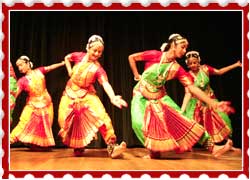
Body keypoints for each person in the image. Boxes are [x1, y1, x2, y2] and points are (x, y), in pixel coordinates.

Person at [128, 33, 235, 159]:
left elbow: (192, 88)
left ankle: (213, 147)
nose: (184, 51)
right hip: (141, 93)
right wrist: (136, 75)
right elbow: (132, 57)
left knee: (184, 120)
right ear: (173, 45)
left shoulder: (177, 69)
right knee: (137, 122)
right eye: (182, 47)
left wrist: (214, 104)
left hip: (160, 96)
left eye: (186, 48)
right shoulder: (155, 55)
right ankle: (154, 151)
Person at [58, 35, 127, 158]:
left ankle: (112, 146)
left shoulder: (97, 68)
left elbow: (105, 83)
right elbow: (67, 57)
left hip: (87, 94)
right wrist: (69, 70)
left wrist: (112, 97)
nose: (97, 53)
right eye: (94, 50)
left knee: (101, 116)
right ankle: (78, 146)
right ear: (87, 48)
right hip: (69, 93)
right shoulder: (78, 56)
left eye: (99, 52)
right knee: (64, 120)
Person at [181, 50, 242, 156]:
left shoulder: (205, 69)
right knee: (194, 124)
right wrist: (182, 109)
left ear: (198, 61)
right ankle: (188, 145)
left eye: (194, 62)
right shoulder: (187, 76)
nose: (193, 65)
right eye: (190, 63)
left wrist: (236, 65)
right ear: (187, 64)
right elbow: (188, 94)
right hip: (196, 103)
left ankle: (229, 144)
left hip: (210, 100)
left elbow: (219, 72)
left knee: (221, 119)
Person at [10, 55, 65, 150]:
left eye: (21, 65)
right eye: (18, 66)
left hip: (46, 103)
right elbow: (15, 95)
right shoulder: (22, 81)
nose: (19, 68)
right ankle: (8, 141)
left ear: (28, 64)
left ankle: (39, 145)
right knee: (23, 123)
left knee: (44, 126)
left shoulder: (39, 71)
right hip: (33, 104)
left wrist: (62, 63)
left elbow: (50, 67)